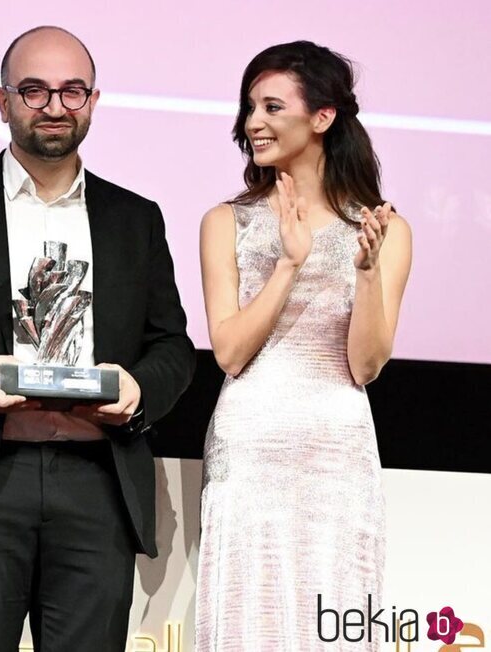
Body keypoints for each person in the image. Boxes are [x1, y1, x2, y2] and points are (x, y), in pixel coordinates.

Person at [0, 25, 196, 652]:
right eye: (34, 91)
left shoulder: (135, 218)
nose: (55, 106)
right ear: (2, 103)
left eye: (71, 91)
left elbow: (173, 346)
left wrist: (139, 391)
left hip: (96, 482)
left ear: (93, 101)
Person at [196, 41, 412, 650]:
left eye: (271, 106)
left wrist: (366, 273)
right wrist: (291, 264)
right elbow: (231, 353)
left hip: (336, 455)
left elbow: (365, 365)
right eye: (248, 108)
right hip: (251, 447)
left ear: (322, 117)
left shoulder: (384, 230)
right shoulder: (225, 221)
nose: (253, 123)